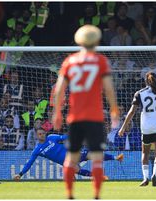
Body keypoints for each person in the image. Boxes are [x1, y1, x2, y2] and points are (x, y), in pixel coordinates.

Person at [52, 25, 120, 199]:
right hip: (95, 117)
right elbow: (109, 89)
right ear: (97, 41)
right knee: (97, 157)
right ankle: (96, 195)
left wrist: (57, 113)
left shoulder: (70, 61)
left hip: (75, 117)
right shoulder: (100, 61)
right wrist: (114, 109)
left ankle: (69, 194)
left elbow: (59, 90)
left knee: (71, 158)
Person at [119, 72, 156, 187]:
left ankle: (145, 178)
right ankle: (155, 175)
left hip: (146, 127)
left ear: (145, 81)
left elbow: (132, 112)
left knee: (145, 153)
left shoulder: (140, 93)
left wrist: (123, 127)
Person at [13, 128, 123, 180]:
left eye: (43, 133)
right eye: (40, 134)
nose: (42, 135)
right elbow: (30, 163)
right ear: (37, 136)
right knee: (75, 169)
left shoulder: (51, 137)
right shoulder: (37, 150)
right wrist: (20, 174)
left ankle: (116, 157)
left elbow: (64, 137)